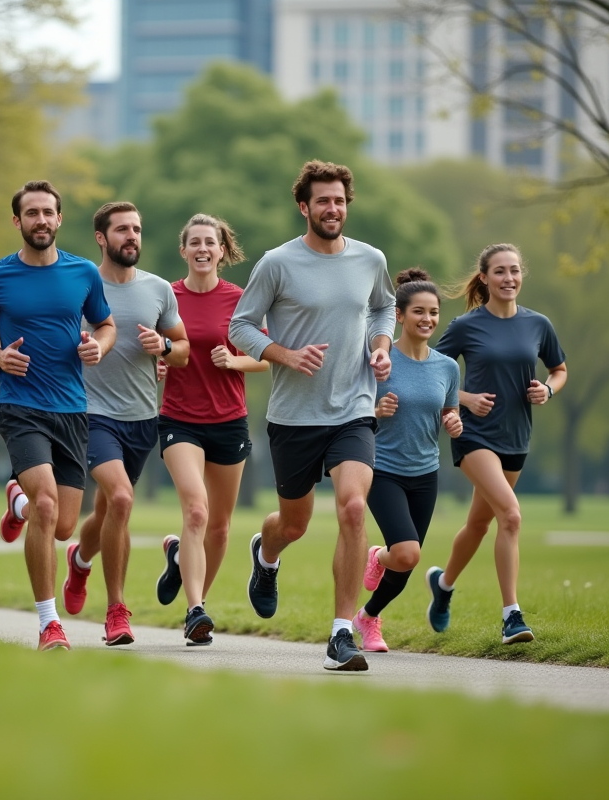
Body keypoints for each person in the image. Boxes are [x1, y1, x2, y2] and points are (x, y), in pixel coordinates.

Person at [229, 161, 395, 672]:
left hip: (353, 410)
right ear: (304, 207)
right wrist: (285, 354)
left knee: (351, 508)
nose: (333, 209)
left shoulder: (370, 259)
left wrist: (382, 346)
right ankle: (266, 552)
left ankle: (341, 634)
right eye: (323, 201)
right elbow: (240, 327)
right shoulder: (277, 263)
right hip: (294, 417)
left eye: (340, 200)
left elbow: (385, 307)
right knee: (294, 524)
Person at [0, 180, 115, 651]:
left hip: (72, 408)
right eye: (32, 213)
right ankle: (49, 624)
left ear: (60, 219)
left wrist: (97, 347)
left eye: (48, 212)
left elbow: (105, 324)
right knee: (48, 506)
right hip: (21, 406)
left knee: (63, 525)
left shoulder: (84, 273)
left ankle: (18, 503)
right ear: (18, 221)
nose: (41, 220)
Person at [61, 201, 189, 646]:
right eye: (122, 230)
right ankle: (117, 611)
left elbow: (184, 348)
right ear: (102, 237)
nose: (132, 236)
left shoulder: (158, 290)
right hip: (90, 412)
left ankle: (79, 561)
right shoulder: (77, 284)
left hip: (141, 418)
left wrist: (164, 349)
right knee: (120, 497)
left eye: (136, 229)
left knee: (108, 508)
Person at [426, 244, 567, 644]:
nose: (509, 278)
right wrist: (465, 400)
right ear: (484, 277)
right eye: (500, 271)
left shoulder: (538, 324)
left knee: (479, 522)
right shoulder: (466, 326)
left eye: (515, 271)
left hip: (516, 436)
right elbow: (430, 372)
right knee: (511, 515)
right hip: (473, 435)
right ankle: (512, 616)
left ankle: (444, 585)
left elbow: (559, 370)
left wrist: (548, 389)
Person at [153, 213, 266, 646]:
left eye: (210, 242)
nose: (203, 249)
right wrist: (158, 359)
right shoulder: (167, 296)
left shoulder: (240, 299)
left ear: (222, 250)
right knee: (196, 511)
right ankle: (195, 609)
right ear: (184, 250)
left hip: (229, 419)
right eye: (194, 242)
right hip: (179, 418)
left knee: (219, 526)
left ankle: (182, 560)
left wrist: (235, 360)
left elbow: (267, 353)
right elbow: (153, 346)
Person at [354, 268, 463, 652]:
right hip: (382, 469)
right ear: (399, 315)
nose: (428, 319)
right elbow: (355, 413)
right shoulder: (379, 361)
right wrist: (376, 412)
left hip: (425, 472)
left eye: (434, 312)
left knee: (406, 561)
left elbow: (449, 411)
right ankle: (378, 555)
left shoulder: (447, 367)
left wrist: (454, 423)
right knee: (406, 551)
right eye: (419, 311)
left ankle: (368, 618)